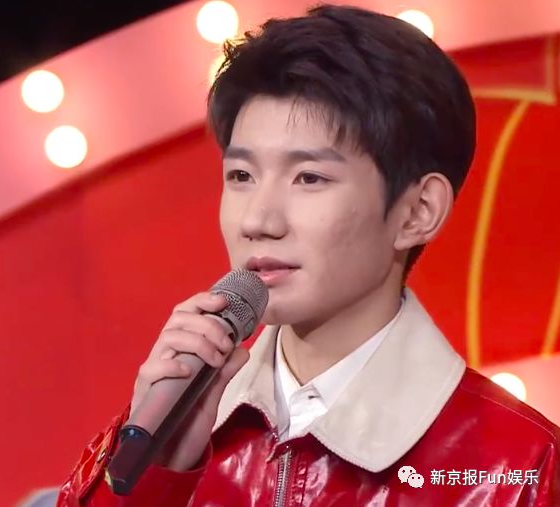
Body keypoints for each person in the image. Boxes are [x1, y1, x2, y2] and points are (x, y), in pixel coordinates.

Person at [56, 4, 560, 506]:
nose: (258, 221)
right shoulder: (171, 431)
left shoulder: (521, 469)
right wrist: (155, 476)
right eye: (241, 176)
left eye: (309, 178)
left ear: (417, 212)